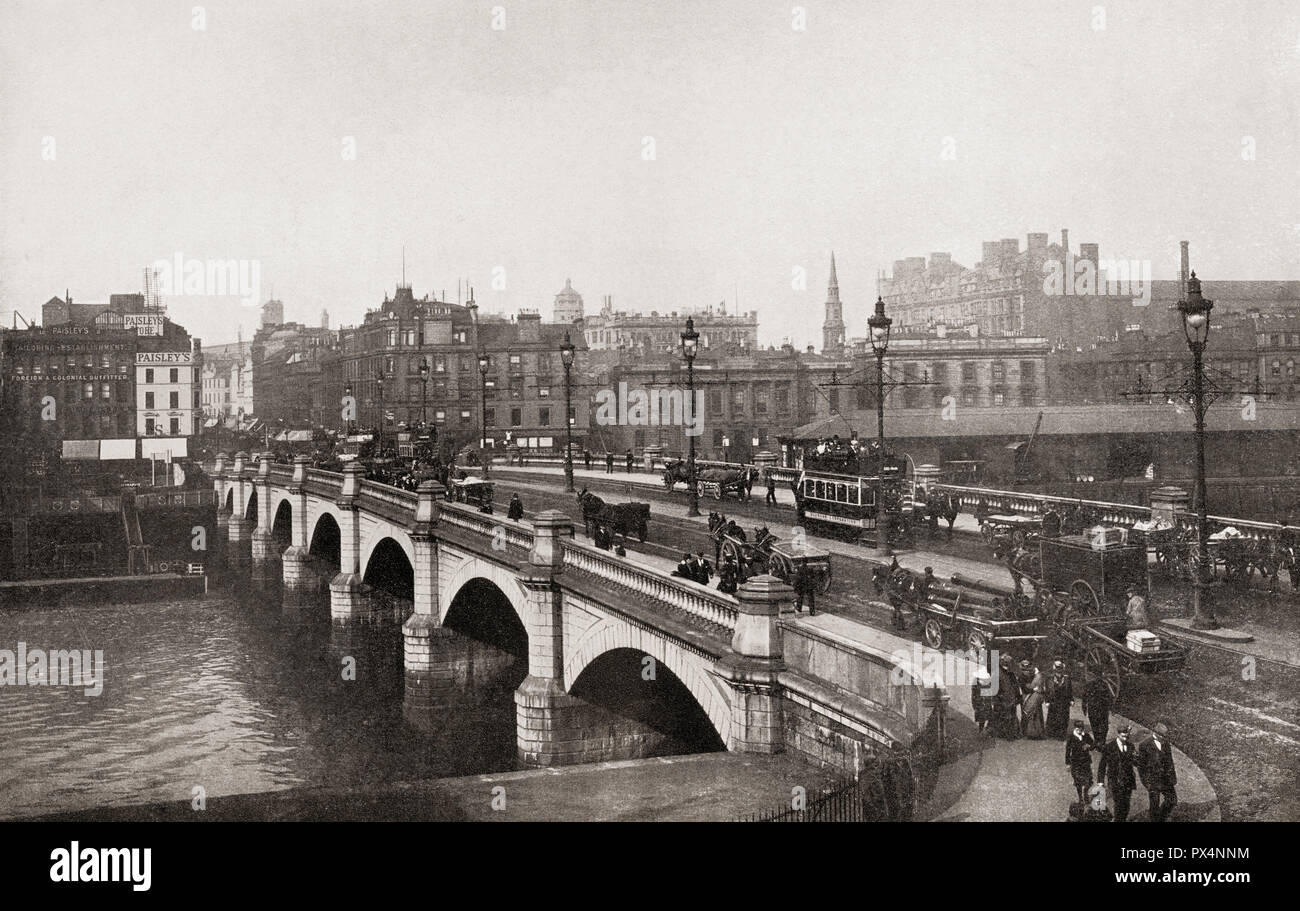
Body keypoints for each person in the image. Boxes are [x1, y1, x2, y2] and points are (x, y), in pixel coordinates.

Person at [1097, 724, 1139, 822]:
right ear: (1118, 734)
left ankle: (1122, 819)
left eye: (1126, 736)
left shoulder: (1131, 746)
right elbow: (1102, 765)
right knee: (1119, 804)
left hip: (1128, 781)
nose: (1125, 738)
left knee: (1126, 804)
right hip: (1115, 781)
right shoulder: (1109, 747)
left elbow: (1136, 763)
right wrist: (1100, 782)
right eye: (1122, 736)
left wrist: (1137, 758)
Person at [1138, 722, 1178, 822]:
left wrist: (1172, 778)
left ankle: (1161, 817)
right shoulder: (1144, 745)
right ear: (1156, 733)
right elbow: (1141, 767)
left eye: (1165, 735)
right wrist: (1146, 783)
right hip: (1152, 781)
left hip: (1166, 780)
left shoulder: (1166, 743)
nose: (1165, 738)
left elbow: (1170, 761)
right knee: (1154, 806)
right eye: (1163, 735)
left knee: (1172, 800)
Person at [1066, 719, 1097, 804]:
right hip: (1075, 763)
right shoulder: (1071, 737)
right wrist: (1068, 763)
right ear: (1075, 728)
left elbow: (1094, 744)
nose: (1080, 730)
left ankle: (1085, 792)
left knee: (1089, 780)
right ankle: (1080, 797)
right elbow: (1068, 751)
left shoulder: (1086, 736)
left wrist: (1089, 747)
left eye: (1081, 728)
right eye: (1078, 728)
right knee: (1078, 782)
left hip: (1086, 762)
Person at [1081, 669, 1112, 748]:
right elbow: (1084, 697)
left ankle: (1101, 742)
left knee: (1103, 726)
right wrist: (1084, 707)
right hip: (1094, 709)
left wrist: (1109, 708)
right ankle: (1097, 741)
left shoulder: (1104, 685)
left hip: (1102, 709)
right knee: (1095, 725)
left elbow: (1109, 697)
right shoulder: (1089, 685)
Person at [1045, 659, 1074, 739]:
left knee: (1064, 717)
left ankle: (1061, 734)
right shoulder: (1049, 679)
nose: (1059, 669)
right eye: (1057, 667)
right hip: (1054, 701)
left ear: (1062, 668)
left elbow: (1070, 690)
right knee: (1053, 717)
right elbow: (1047, 691)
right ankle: (1052, 734)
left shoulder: (1067, 679)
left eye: (1060, 668)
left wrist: (1071, 700)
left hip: (1064, 701)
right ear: (1054, 668)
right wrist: (1047, 701)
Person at [994, 655, 1021, 740]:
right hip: (1003, 699)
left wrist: (1017, 696)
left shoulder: (1010, 673)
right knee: (1005, 716)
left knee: (1011, 715)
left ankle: (1011, 733)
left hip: (1010, 697)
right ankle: (1007, 734)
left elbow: (1015, 685)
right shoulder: (997, 673)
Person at [1020, 661, 1045, 739]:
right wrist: (1033, 689)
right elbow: (1025, 687)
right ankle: (1027, 732)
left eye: (1027, 668)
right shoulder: (1022, 676)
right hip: (1027, 696)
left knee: (1034, 715)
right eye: (1025, 668)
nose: (1026, 670)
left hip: (1033, 696)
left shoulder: (1034, 675)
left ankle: (1035, 733)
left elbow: (1037, 685)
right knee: (1028, 713)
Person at [971, 667, 995, 736]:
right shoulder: (975, 683)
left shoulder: (988, 683)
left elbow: (990, 692)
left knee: (990, 716)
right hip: (979, 702)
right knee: (981, 717)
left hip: (987, 701)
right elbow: (973, 694)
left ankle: (989, 730)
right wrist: (974, 704)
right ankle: (981, 730)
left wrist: (991, 700)